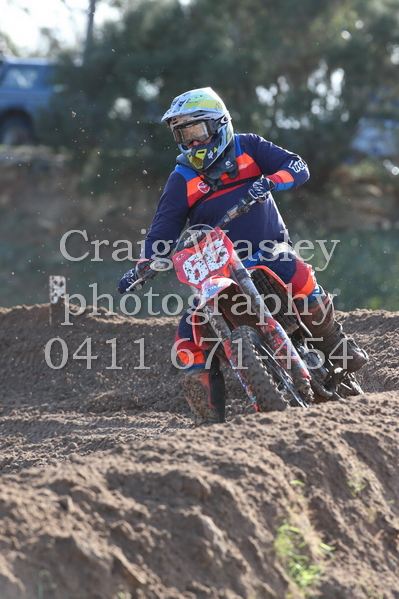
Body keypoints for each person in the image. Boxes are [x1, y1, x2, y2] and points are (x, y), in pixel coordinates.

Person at [118, 87, 368, 424]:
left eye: (197, 131)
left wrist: (271, 182)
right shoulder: (182, 178)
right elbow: (161, 231)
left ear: (219, 124)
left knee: (295, 272)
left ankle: (335, 345)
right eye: (184, 135)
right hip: (217, 273)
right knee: (187, 342)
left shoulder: (248, 147)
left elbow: (297, 166)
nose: (193, 142)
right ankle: (210, 427)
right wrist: (144, 265)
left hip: (266, 252)